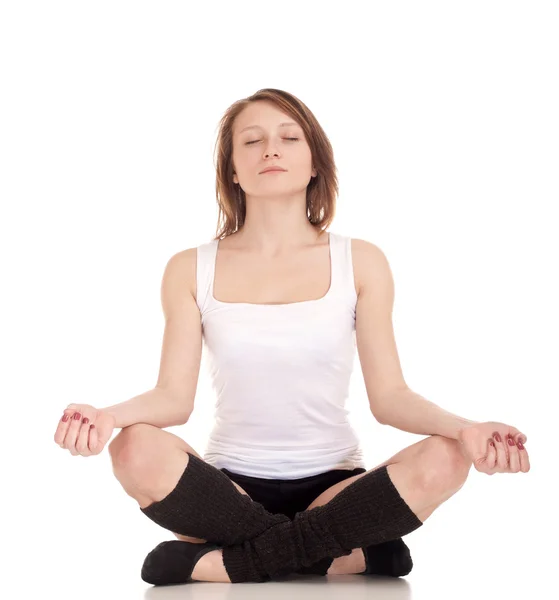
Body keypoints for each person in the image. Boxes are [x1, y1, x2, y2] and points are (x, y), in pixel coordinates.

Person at [53, 88, 531, 585]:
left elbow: (391, 399)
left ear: (315, 163)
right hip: (228, 493)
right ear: (233, 170)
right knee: (132, 447)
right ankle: (346, 555)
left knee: (448, 455)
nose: (271, 150)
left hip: (336, 492)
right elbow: (173, 399)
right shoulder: (189, 268)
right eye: (252, 141)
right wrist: (108, 418)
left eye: (289, 137)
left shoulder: (361, 261)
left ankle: (230, 561)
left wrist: (467, 429)